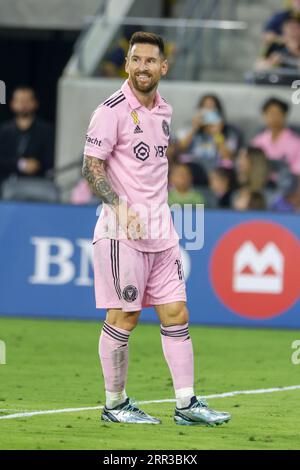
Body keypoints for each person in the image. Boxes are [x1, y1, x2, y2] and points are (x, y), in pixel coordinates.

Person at [82, 31, 231, 426]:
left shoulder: (164, 110)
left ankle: (186, 404)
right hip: (121, 233)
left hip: (162, 233)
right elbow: (91, 167)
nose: (143, 67)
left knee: (176, 312)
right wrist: (119, 206)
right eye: (136, 60)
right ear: (127, 64)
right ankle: (115, 405)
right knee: (124, 316)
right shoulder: (110, 110)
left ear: (163, 67)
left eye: (151, 61)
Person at [176, 94, 242, 184]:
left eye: (212, 108)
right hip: (193, 171)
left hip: (217, 171)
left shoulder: (228, 132)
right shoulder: (189, 128)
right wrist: (194, 128)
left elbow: (227, 156)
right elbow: (180, 148)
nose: (208, 112)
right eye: (205, 108)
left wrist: (217, 133)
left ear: (219, 112)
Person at [0, 86, 54, 183]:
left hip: (37, 182)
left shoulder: (46, 131)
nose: (24, 104)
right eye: (20, 101)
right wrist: (20, 164)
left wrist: (36, 166)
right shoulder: (4, 131)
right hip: (5, 183)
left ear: (35, 103)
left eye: (27, 100)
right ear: (12, 104)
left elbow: (50, 160)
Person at [252, 98, 300, 175]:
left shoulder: (296, 142)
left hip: (287, 184)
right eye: (270, 113)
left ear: (285, 115)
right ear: (264, 115)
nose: (274, 118)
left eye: (278, 113)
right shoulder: (258, 141)